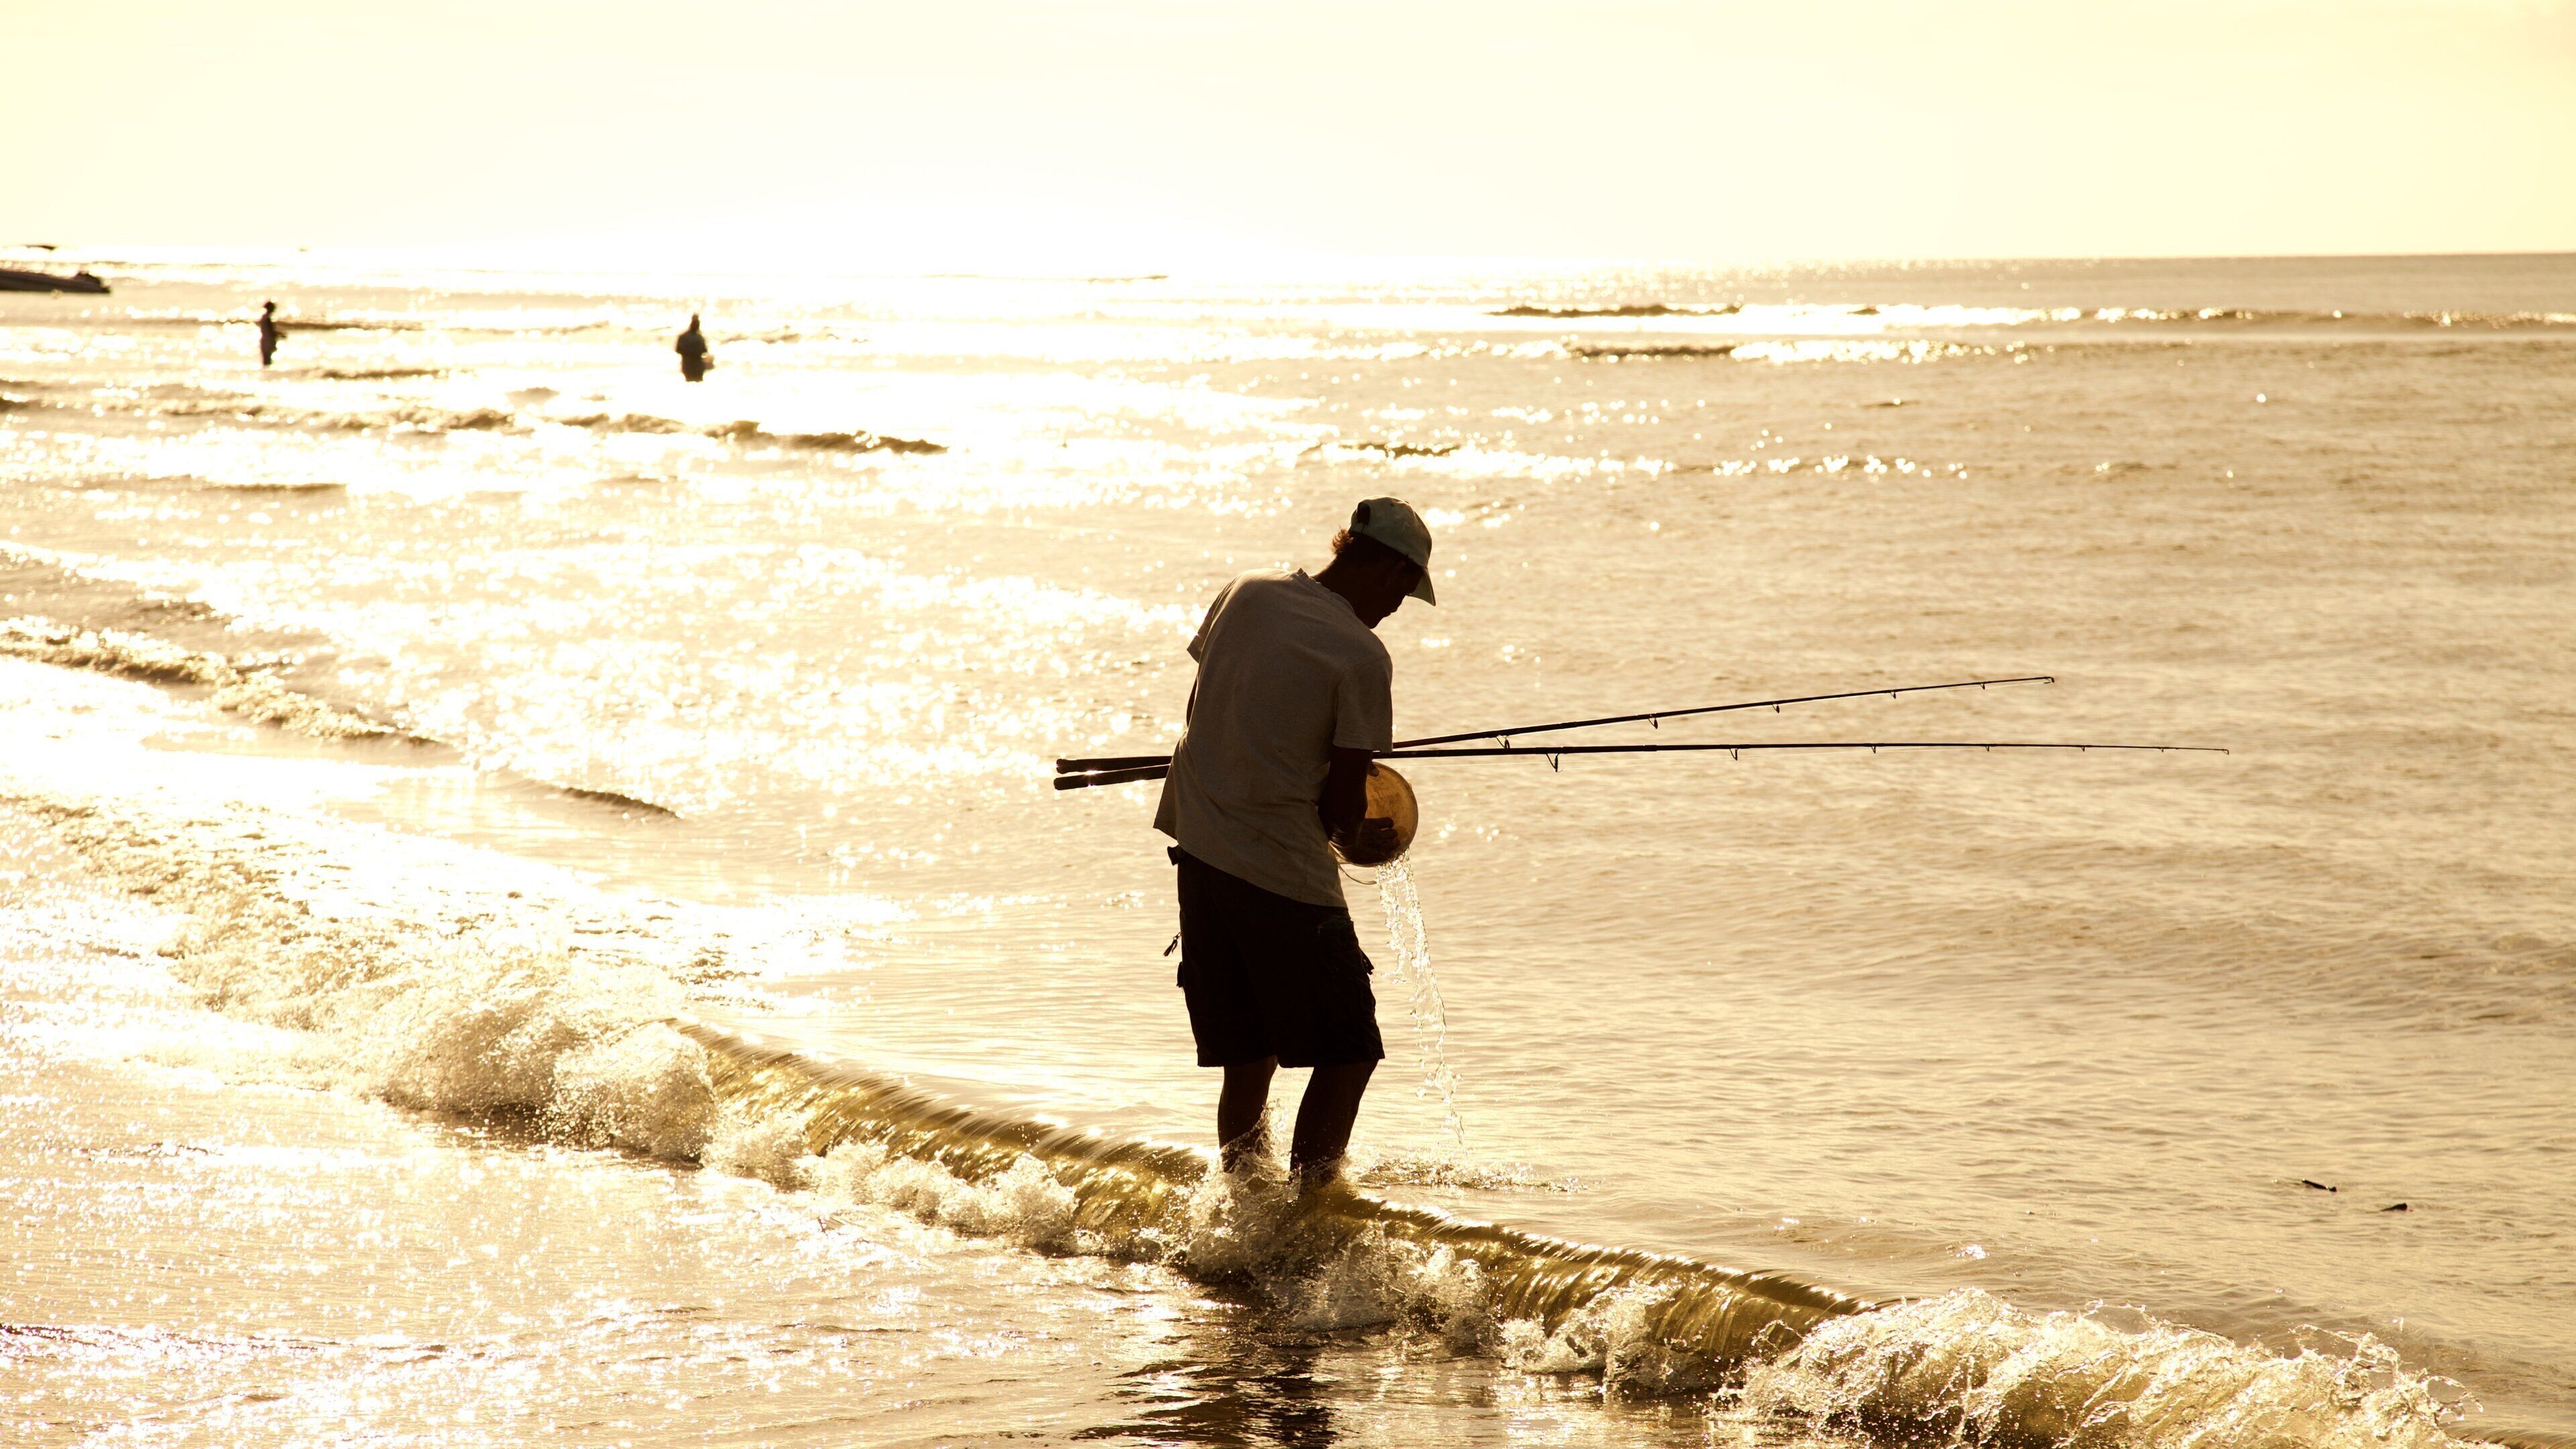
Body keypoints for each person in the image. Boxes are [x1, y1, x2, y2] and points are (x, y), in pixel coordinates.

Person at [1154, 497, 1438, 1187]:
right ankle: (1307, 1215)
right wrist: (1363, 831)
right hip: (1280, 874)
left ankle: (1244, 1204)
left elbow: (1209, 708)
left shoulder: (1245, 591)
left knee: (1248, 1053)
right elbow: (1343, 809)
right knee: (1348, 1053)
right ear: (1388, 567)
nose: (1400, 606)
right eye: (1405, 588)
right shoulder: (1362, 655)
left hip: (1199, 853)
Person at [676, 314, 711, 382]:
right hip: (696, 367)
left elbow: (678, 350)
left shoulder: (683, 336)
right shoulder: (699, 338)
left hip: (687, 366)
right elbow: (705, 351)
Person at [257, 301, 281, 368]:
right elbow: (271, 332)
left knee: (266, 360)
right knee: (268, 361)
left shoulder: (264, 317)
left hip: (264, 341)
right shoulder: (267, 319)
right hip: (268, 341)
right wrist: (280, 335)